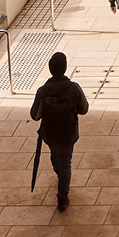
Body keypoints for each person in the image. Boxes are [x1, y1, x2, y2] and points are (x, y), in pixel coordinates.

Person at [29, 51, 89, 211]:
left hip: (50, 134)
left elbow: (35, 115)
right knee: (65, 162)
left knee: (55, 156)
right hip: (69, 133)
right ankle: (62, 197)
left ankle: (60, 175)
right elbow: (84, 109)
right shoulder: (73, 88)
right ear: (65, 68)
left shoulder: (42, 91)